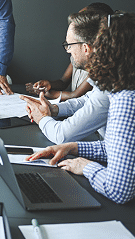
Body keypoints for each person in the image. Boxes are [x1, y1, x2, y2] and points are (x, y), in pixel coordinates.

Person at [27, 13, 135, 232]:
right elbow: (123, 150)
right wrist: (75, 147)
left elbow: (119, 190)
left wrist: (86, 166)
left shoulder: (128, 101)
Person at [20, 10, 110, 143]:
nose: (68, 50)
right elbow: (87, 100)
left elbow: (62, 135)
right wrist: (54, 109)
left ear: (86, 48)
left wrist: (42, 118)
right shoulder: (105, 74)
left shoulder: (110, 86)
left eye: (70, 45)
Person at [25, 2, 114, 101]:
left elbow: (76, 96)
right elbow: (63, 81)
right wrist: (49, 84)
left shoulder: (98, 65)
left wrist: (50, 94)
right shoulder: (77, 56)